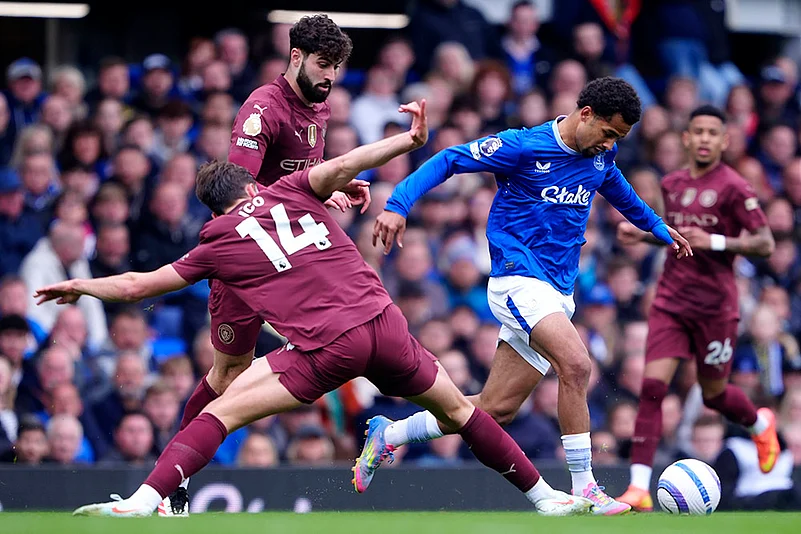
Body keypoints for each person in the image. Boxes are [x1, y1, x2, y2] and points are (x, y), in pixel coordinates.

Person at [37, 101, 592, 518]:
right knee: (466, 413)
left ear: (210, 205)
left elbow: (138, 286)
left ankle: (144, 499)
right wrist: (408, 138)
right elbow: (350, 161)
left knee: (218, 412)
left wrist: (83, 285)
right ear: (251, 182)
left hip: (330, 346)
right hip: (385, 324)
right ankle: (545, 498)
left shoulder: (214, 241)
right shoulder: (293, 187)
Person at [366, 77, 692, 515]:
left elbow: (616, 187)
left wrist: (656, 225)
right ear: (586, 114)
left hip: (559, 291)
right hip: (517, 280)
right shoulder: (522, 146)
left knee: (495, 409)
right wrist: (398, 204)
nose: (609, 144)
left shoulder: (602, 154)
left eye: (619, 139)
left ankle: (390, 434)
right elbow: (448, 159)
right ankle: (587, 488)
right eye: (608, 133)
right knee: (576, 365)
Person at [160, 14, 358, 516]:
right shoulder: (261, 110)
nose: (330, 75)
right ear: (295, 58)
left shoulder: (320, 104)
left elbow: (300, 177)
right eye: (322, 63)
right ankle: (172, 483)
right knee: (227, 373)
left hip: (292, 256)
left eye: (337, 66)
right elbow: (236, 197)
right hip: (249, 262)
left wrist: (329, 188)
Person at [614, 105, 780, 511]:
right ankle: (638, 488)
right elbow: (679, 237)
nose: (705, 138)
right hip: (671, 300)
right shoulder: (671, 184)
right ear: (686, 139)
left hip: (716, 308)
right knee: (652, 388)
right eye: (698, 131)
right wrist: (644, 236)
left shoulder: (736, 188)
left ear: (724, 141)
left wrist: (718, 241)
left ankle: (761, 423)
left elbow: (765, 244)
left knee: (714, 394)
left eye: (712, 132)